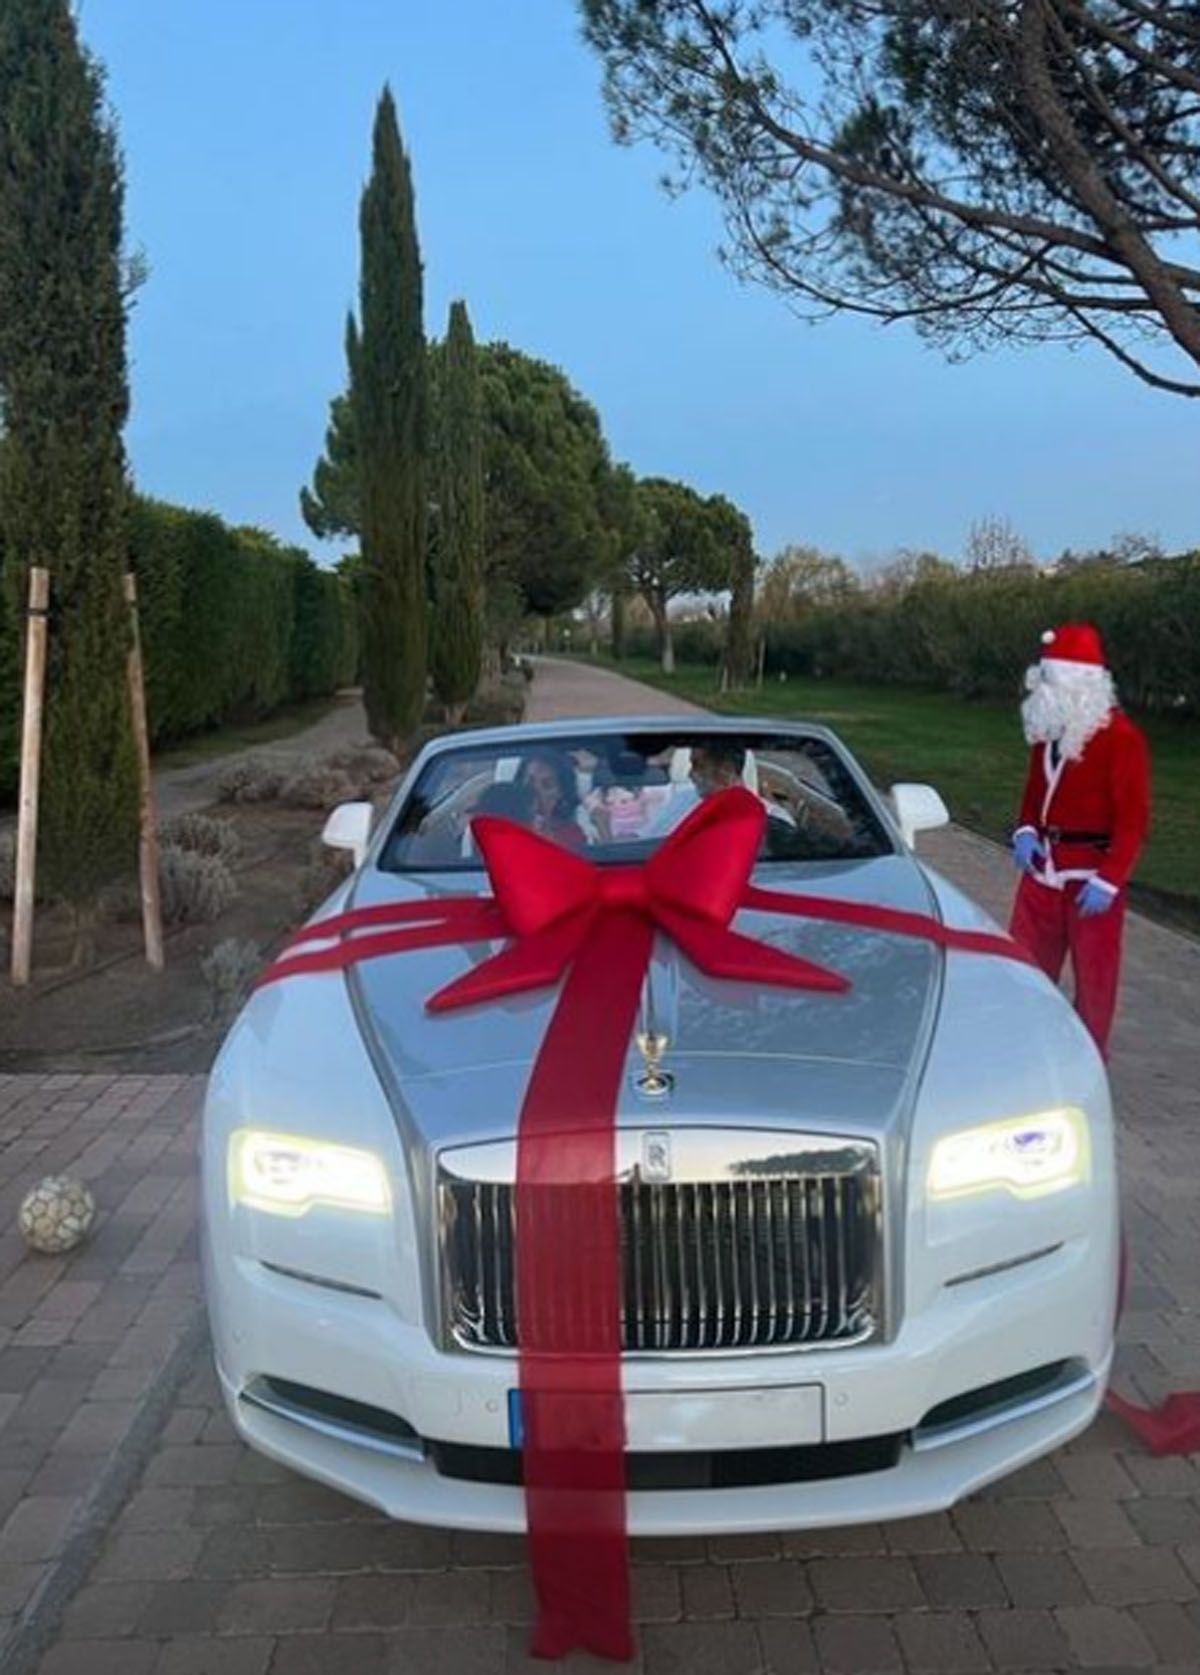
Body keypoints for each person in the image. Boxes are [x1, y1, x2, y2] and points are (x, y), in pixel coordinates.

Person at [1009, 623, 1151, 1058]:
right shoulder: (1047, 734)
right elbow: (1034, 795)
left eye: (1052, 681)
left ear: (1080, 684)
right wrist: (1026, 830)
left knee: (1095, 977)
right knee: (1021, 963)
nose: (1044, 690)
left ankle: (1087, 1058)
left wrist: (1110, 877)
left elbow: (1133, 818)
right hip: (1043, 870)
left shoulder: (1121, 740)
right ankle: (1019, 1043)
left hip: (1090, 876)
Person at [519, 751, 588, 852]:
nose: (535, 790)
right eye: (530, 781)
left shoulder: (572, 834)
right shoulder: (503, 827)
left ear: (560, 794)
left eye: (547, 785)